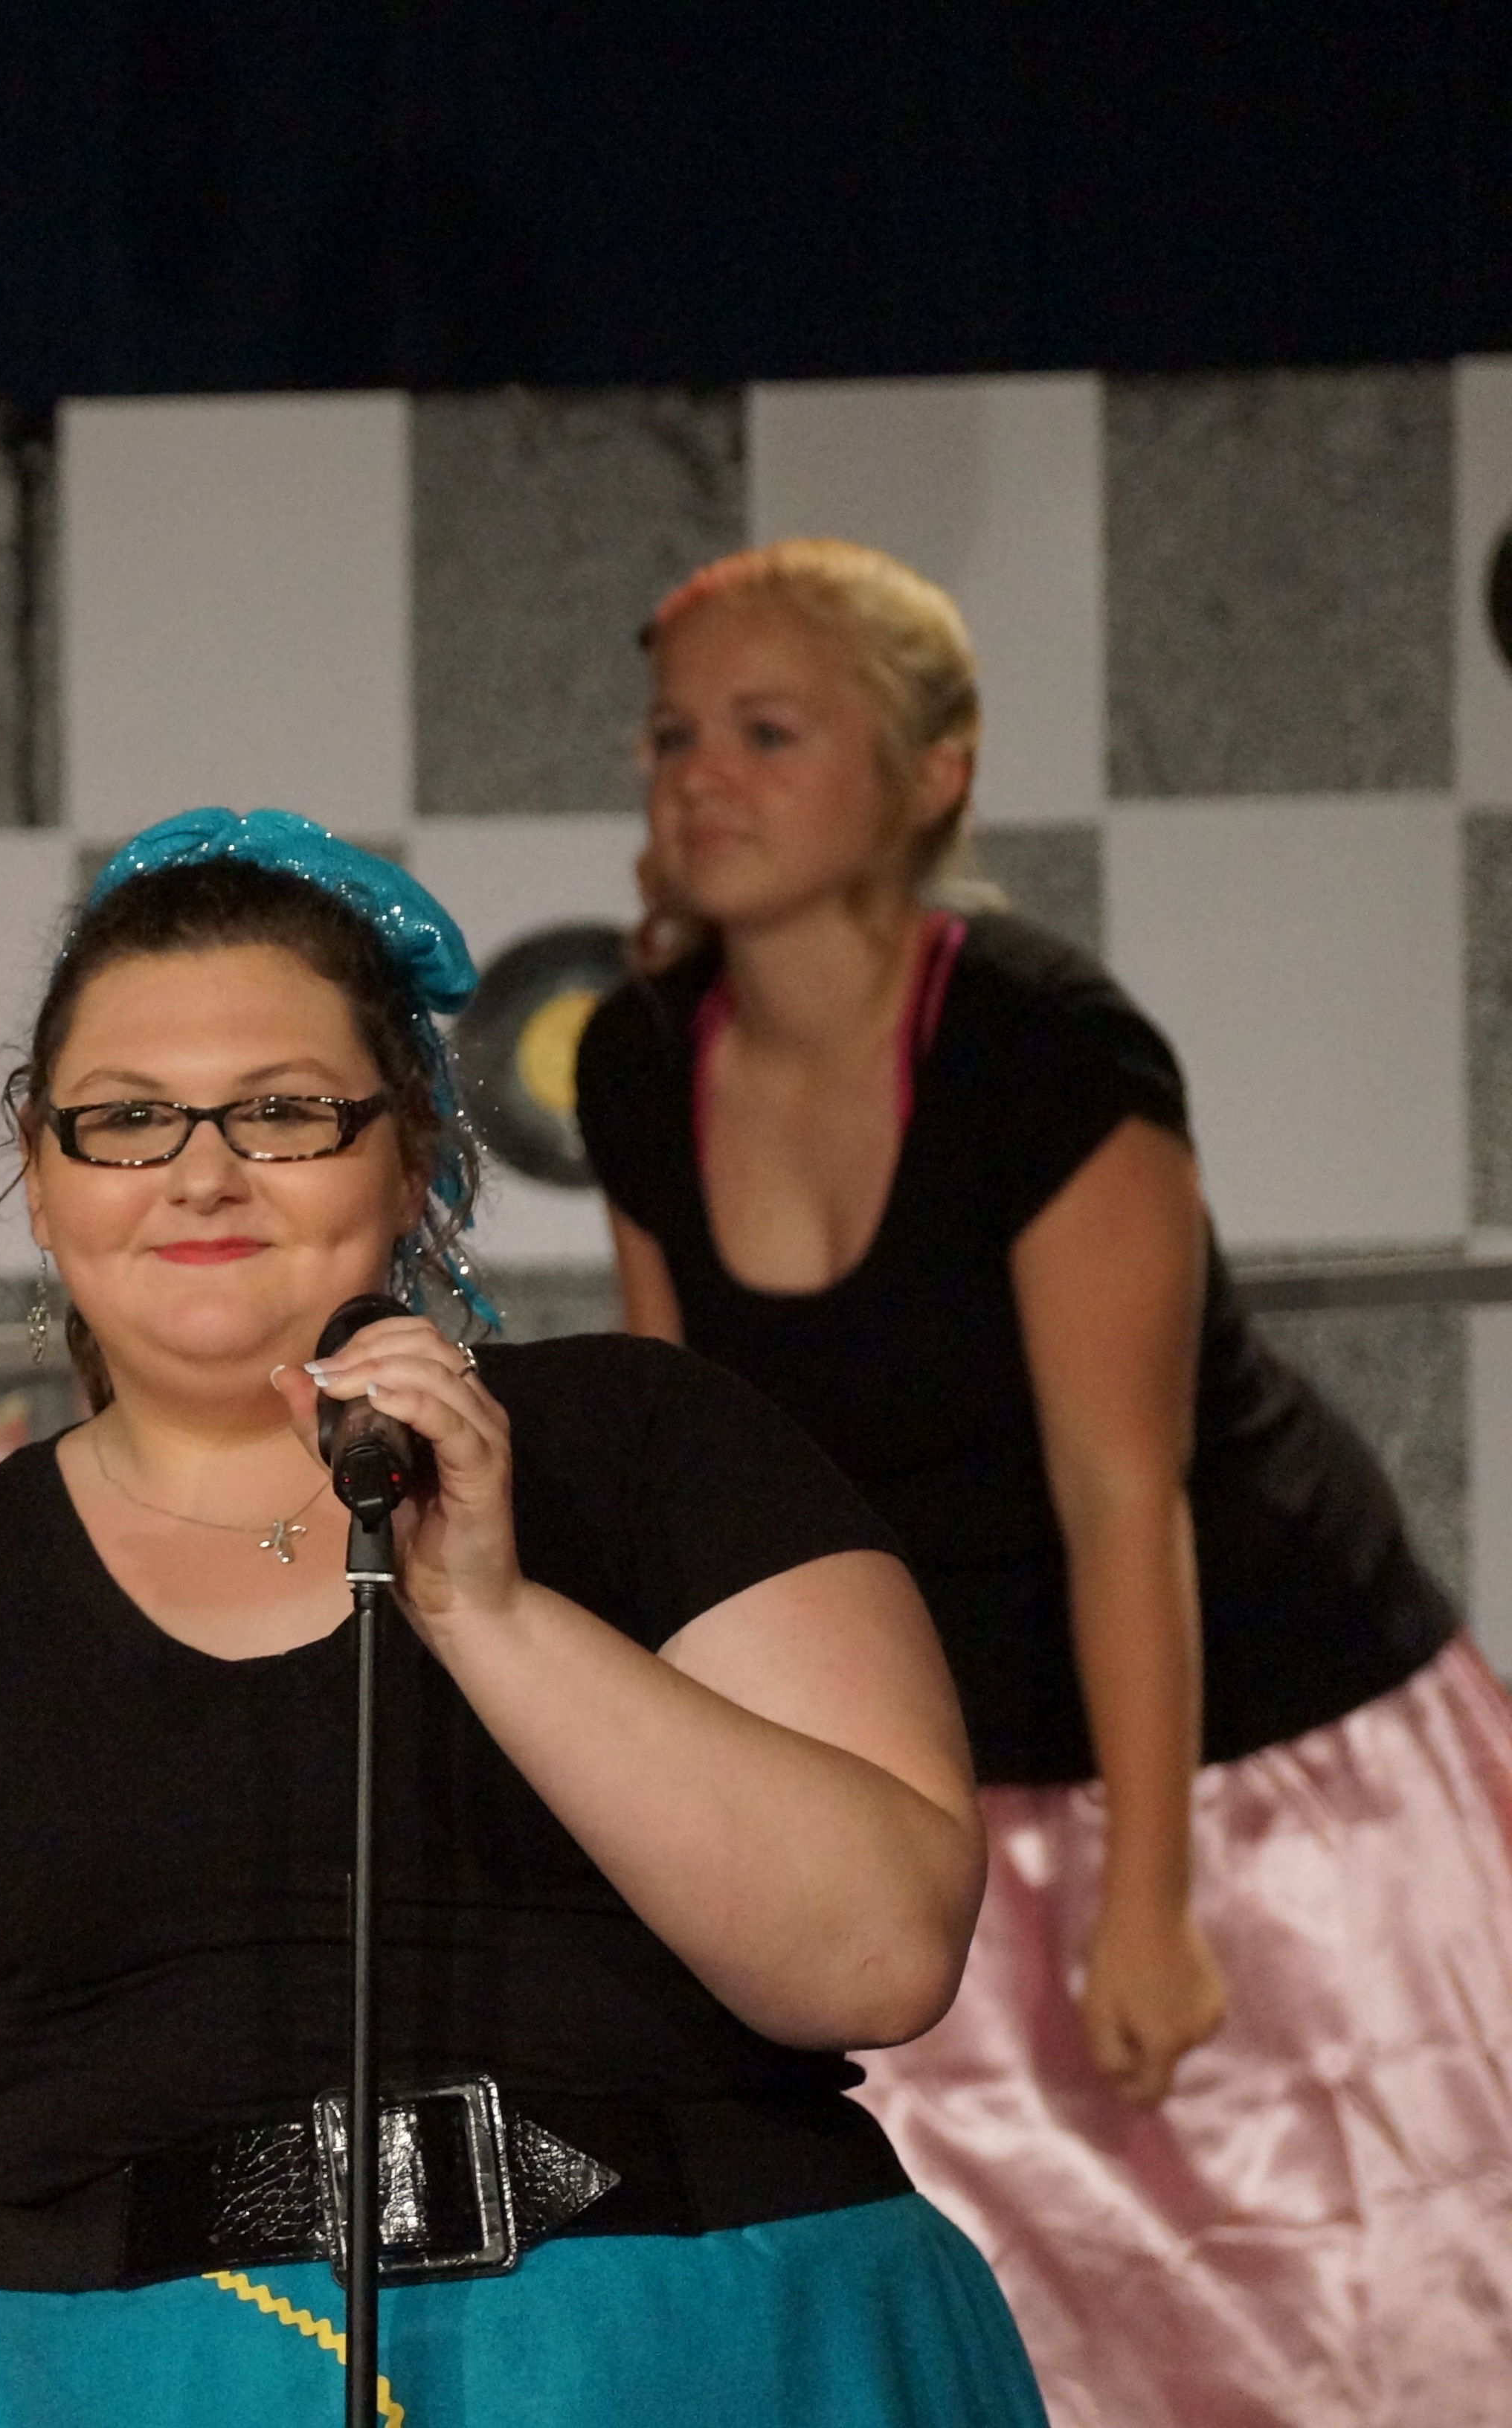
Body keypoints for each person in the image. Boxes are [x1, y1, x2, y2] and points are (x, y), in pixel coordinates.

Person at [0, 809, 1045, 2427]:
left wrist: (487, 1610)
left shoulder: (645, 1440)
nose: (199, 1172)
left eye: (281, 1112)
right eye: (124, 1118)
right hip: (145, 2384)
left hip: (706, 2349)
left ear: (408, 1150)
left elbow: (876, 1957)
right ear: (40, 1179)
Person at [574, 536, 1512, 2426]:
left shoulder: (1038, 1046)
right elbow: (695, 1486)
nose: (700, 778)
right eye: (674, 735)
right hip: (927, 1757)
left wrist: (1149, 1899)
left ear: (928, 774)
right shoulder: (638, 1054)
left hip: (1237, 1745)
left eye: (766, 732)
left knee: (1333, 2305)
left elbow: (1118, 1502)